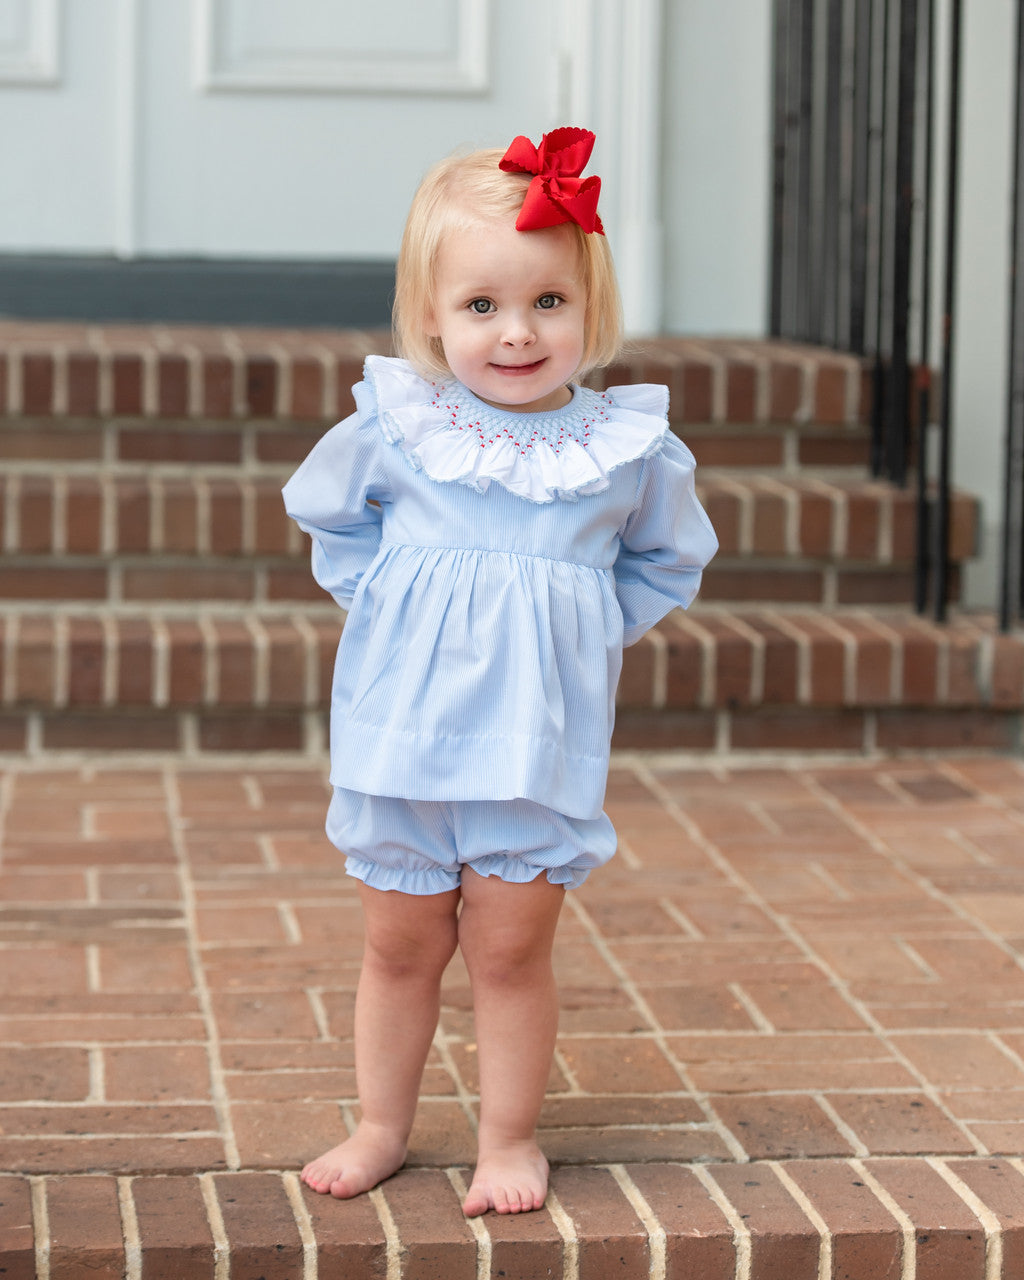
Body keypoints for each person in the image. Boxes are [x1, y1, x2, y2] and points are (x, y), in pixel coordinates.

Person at [282, 126, 718, 1217]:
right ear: (431, 313)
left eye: (547, 304)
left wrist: (583, 631)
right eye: (480, 305)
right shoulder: (402, 425)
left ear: (589, 307)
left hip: (531, 743)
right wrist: (386, 606)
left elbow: (670, 556)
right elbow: (331, 519)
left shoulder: (621, 449)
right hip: (404, 737)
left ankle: (510, 1135)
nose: (516, 332)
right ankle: (383, 1122)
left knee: (511, 947)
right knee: (400, 941)